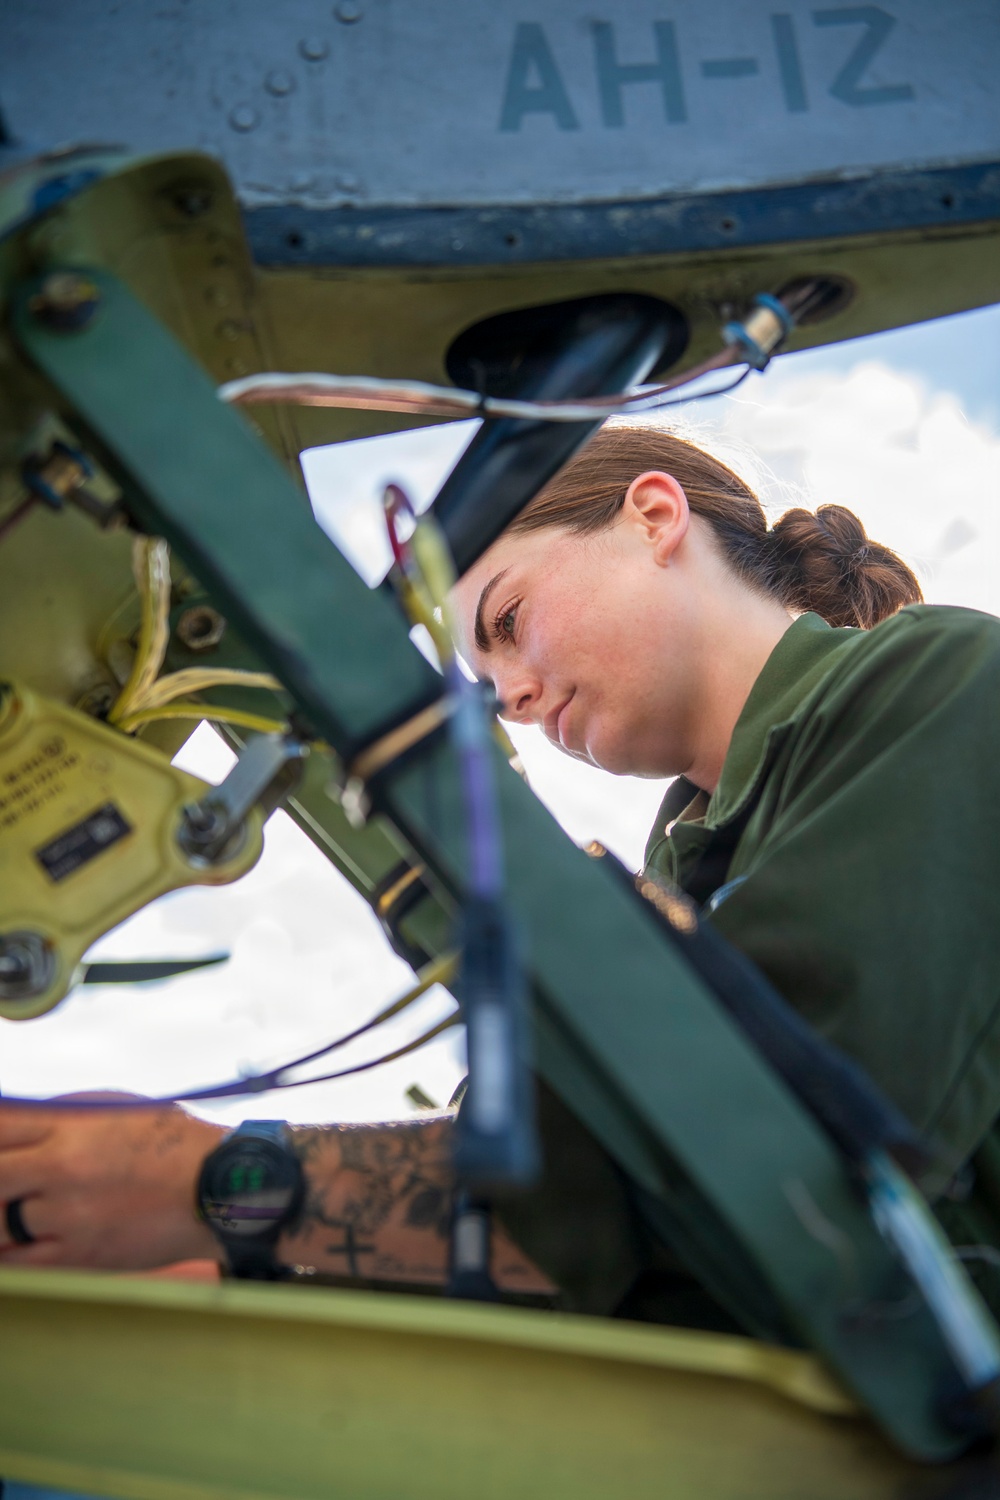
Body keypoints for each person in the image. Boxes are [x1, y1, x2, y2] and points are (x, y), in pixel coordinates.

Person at [4, 423, 1000, 1320]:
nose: (512, 697)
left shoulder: (948, 684)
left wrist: (206, 1185)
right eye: (484, 684)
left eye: (508, 622)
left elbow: (767, 1181)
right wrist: (192, 1263)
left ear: (653, 516)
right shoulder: (678, 884)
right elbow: (555, 1215)